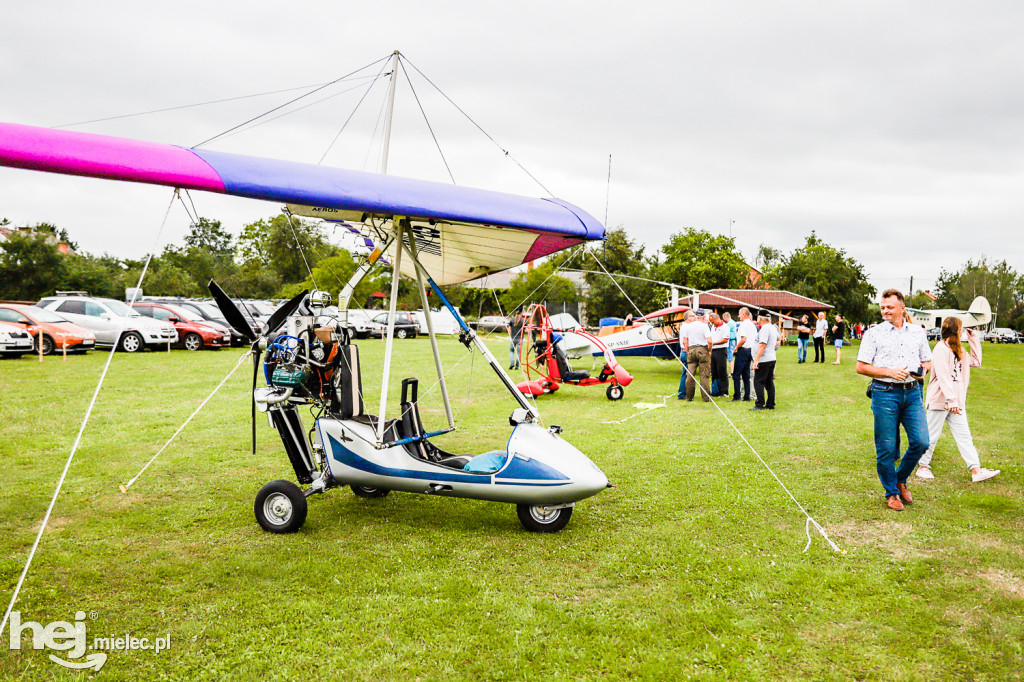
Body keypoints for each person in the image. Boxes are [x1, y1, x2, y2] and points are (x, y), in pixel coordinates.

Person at [856, 289, 932, 512]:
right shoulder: (873, 333)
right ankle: (891, 493)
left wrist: (922, 372)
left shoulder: (917, 332)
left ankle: (900, 479)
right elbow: (861, 366)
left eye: (890, 307)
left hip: (912, 393)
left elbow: (927, 362)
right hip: (884, 393)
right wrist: (888, 372)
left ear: (902, 308)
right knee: (887, 448)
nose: (885, 311)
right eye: (882, 307)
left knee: (921, 442)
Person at [916, 318, 1000, 483]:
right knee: (931, 436)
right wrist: (951, 400)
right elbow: (943, 376)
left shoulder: (959, 349)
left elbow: (976, 362)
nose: (963, 331)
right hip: (940, 401)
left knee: (964, 436)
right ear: (956, 330)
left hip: (956, 403)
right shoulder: (941, 348)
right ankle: (922, 467)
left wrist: (973, 338)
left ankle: (976, 470)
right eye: (962, 329)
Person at [750, 313, 782, 410]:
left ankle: (760, 404)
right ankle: (770, 404)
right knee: (769, 382)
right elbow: (779, 338)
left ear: (760, 318)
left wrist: (756, 361)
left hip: (764, 360)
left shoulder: (764, 329)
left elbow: (762, 345)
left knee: (758, 382)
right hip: (771, 358)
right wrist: (772, 347)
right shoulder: (772, 327)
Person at [678, 310, 712, 402]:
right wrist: (710, 350)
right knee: (704, 375)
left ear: (696, 316)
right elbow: (709, 341)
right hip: (702, 349)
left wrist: (687, 351)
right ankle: (705, 398)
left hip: (691, 349)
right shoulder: (704, 326)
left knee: (690, 375)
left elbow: (685, 341)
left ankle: (689, 397)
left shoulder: (688, 326)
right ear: (703, 317)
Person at [731, 307, 757, 402]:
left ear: (743, 314)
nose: (738, 316)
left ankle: (737, 395)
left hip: (743, 350)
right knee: (746, 374)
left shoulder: (743, 325)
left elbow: (743, 339)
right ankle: (747, 396)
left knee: (736, 374)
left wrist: (736, 348)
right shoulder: (752, 325)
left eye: (739, 314)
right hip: (750, 350)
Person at [708, 312, 729, 397]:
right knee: (714, 371)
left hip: (721, 350)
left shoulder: (725, 327)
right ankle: (716, 390)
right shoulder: (713, 327)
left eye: (712, 322)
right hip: (713, 350)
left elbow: (725, 340)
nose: (712, 323)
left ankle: (724, 391)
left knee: (722, 370)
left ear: (717, 318)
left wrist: (714, 343)